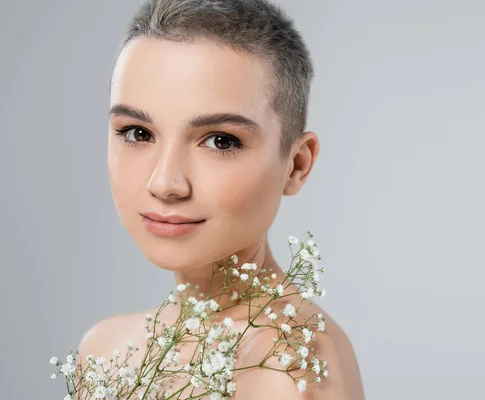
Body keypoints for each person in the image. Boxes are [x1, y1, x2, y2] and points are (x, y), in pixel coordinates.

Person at [77, 0, 365, 398]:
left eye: (220, 141)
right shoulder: (103, 349)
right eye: (137, 133)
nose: (165, 183)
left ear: (296, 164)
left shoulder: (293, 373)